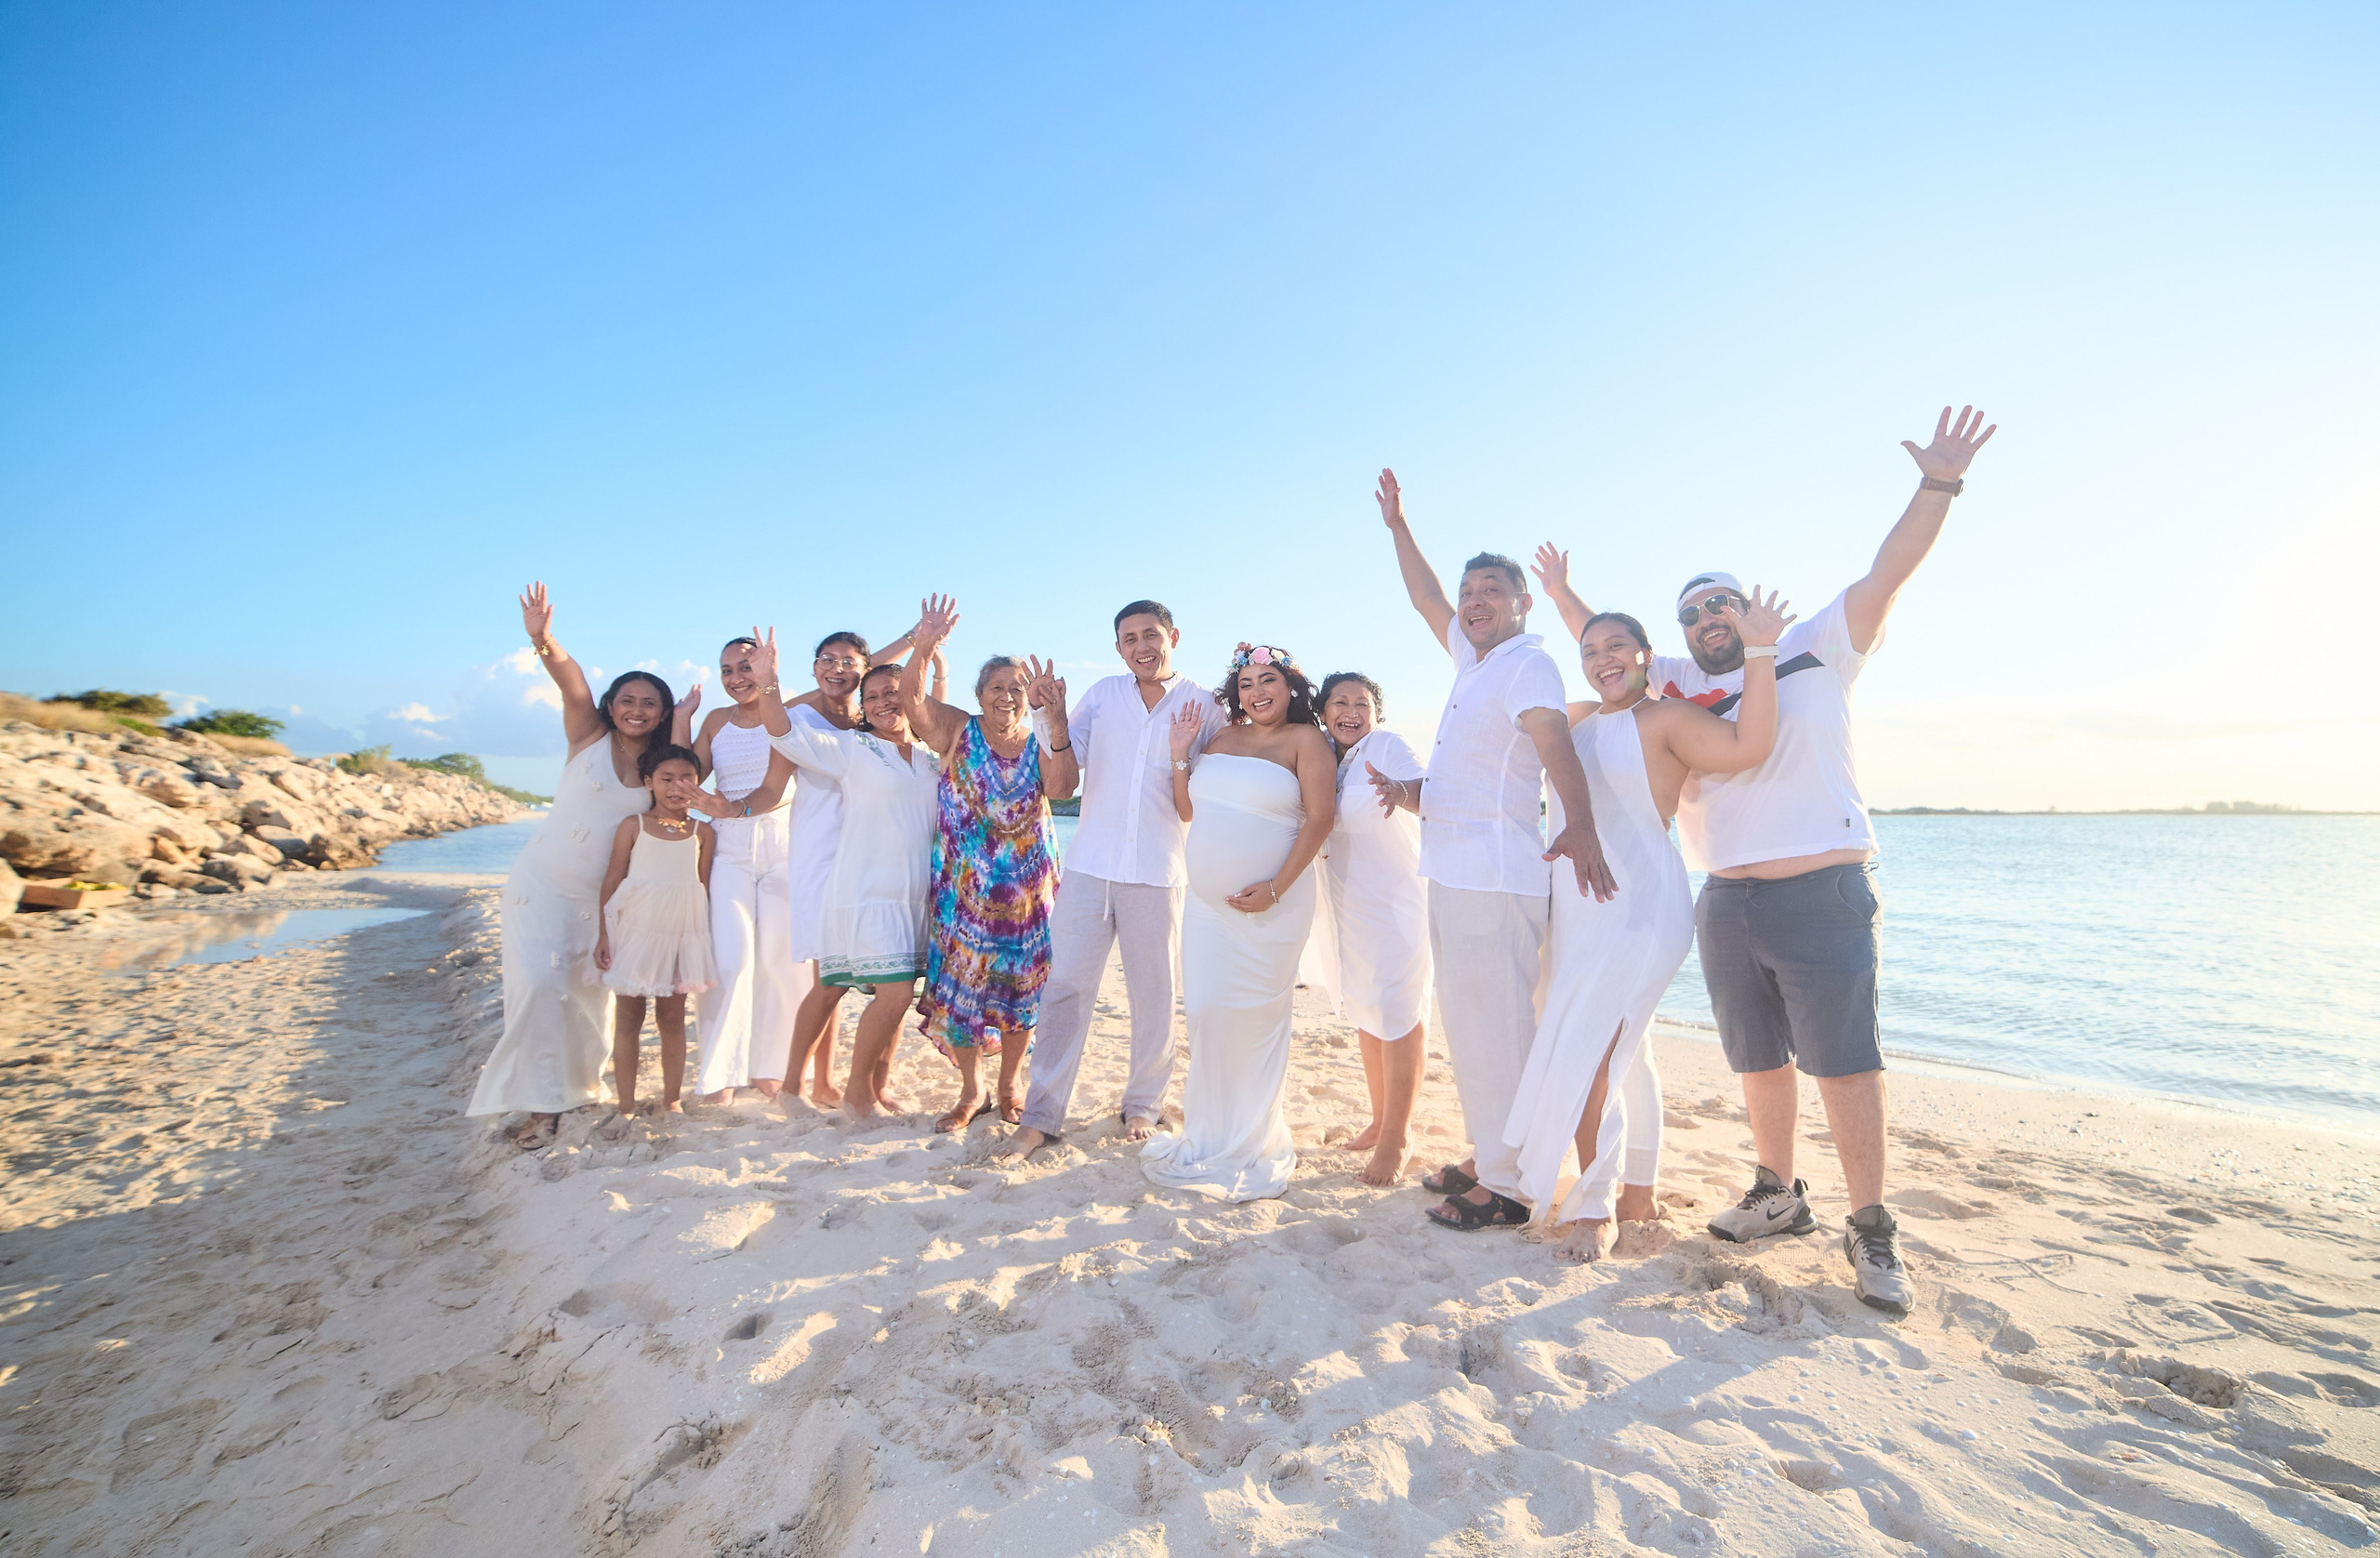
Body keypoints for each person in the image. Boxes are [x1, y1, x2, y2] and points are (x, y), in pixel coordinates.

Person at [1527, 404, 1997, 1313]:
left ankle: (1869, 1222)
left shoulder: (1817, 642)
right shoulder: (1680, 681)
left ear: (1744, 606)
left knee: (1845, 1062)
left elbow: (1890, 567)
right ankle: (1775, 1191)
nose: (1706, 617)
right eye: (1691, 610)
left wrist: (1938, 481)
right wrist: (1561, 596)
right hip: (1723, 896)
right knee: (1757, 1059)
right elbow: (1608, 651)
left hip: (1822, 887)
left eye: (1719, 603)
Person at [1368, 469, 1616, 1234]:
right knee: (1472, 1024)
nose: (1472, 601)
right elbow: (1424, 599)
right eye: (1469, 590)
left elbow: (1551, 745)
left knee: (1497, 1026)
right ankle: (1493, 1151)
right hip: (1452, 867)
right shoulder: (1473, 662)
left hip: (1498, 875)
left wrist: (1579, 825)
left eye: (1489, 591)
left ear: (1521, 605)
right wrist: (1398, 527)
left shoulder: (1529, 662)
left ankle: (1509, 1187)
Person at [1504, 596, 1787, 1262]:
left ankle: (1593, 1208)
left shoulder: (1666, 719)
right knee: (1629, 1053)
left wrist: (1763, 653)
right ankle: (1637, 1191)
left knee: (1593, 1051)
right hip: (1576, 907)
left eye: (1616, 647)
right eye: (1590, 650)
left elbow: (1750, 745)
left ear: (1646, 656)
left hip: (1639, 903)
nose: (1603, 659)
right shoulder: (1572, 722)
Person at [469, 583, 694, 1149]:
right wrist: (543, 637)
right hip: (542, 886)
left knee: (587, 997)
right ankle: (538, 1105)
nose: (637, 710)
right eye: (628, 700)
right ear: (611, 706)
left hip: (607, 900)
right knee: (539, 985)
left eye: (650, 703)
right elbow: (570, 682)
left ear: (661, 712)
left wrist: (687, 719)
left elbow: (689, 786)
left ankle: (574, 1090)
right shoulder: (586, 735)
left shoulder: (662, 766)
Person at [1004, 599, 1228, 1158]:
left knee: (1155, 996)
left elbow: (1210, 801)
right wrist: (1050, 718)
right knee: (1065, 990)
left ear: (1173, 635)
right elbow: (1059, 786)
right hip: (1088, 868)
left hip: (1160, 870)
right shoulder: (1102, 696)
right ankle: (1041, 1115)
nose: (1141, 647)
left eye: (1150, 635)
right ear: (1118, 648)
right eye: (1129, 639)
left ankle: (1143, 1106)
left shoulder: (1207, 705)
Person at [1140, 646, 1336, 1201]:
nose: (1257, 692)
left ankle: (1250, 1139)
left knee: (1252, 1020)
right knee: (1203, 1011)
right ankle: (1207, 1134)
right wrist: (1181, 752)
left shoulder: (1307, 741)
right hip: (1206, 907)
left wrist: (1276, 888)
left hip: (1274, 907)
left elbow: (1321, 819)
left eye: (1267, 679)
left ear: (1290, 686)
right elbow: (1188, 810)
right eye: (1246, 683)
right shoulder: (1221, 738)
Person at [897, 595, 1067, 1133]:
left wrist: (1054, 717)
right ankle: (971, 1091)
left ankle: (1010, 1086)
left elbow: (1063, 790)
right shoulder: (956, 730)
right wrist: (923, 646)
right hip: (963, 893)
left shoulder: (1043, 740)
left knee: (1022, 991)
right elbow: (911, 699)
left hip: (1028, 896)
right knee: (964, 990)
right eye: (997, 687)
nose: (1007, 696)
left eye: (1018, 688)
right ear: (978, 695)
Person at [755, 655, 944, 1119]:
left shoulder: (930, 759)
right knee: (893, 994)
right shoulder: (852, 749)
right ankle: (855, 1095)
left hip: (916, 896)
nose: (882, 703)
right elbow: (783, 732)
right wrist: (767, 684)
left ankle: (877, 1088)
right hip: (867, 891)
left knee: (896, 998)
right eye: (872, 696)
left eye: (892, 693)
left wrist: (938, 669)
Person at [1311, 671, 1433, 1187]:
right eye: (1340, 702)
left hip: (1397, 905)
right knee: (1366, 1009)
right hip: (1349, 909)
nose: (1351, 711)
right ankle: (1379, 1120)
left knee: (1400, 1012)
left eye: (1362, 702)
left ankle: (1397, 1138)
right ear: (1323, 712)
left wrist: (1401, 791)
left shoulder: (1386, 745)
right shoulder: (1328, 762)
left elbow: (1432, 793)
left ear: (1377, 713)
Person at [686, 631, 798, 1104]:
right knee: (731, 960)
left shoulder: (790, 714)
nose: (736, 678)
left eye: (746, 667)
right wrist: (679, 720)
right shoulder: (715, 720)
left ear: (769, 665)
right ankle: (720, 1073)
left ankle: (770, 1068)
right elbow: (684, 773)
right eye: (727, 670)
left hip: (787, 846)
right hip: (729, 849)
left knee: (781, 963)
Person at [592, 744, 719, 1122]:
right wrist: (603, 935)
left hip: (681, 934)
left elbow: (704, 886)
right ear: (649, 782)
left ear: (698, 783)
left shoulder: (703, 832)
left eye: (687, 779)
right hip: (634, 932)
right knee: (629, 1018)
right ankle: (626, 1104)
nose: (676, 787)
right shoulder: (633, 826)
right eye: (666, 779)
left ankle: (671, 1100)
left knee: (672, 1019)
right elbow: (612, 881)